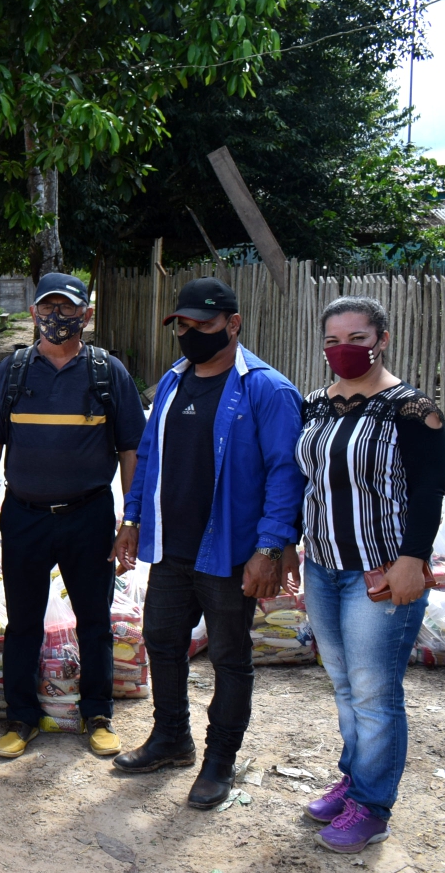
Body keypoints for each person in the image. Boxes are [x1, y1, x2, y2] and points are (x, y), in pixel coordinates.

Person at [110, 277, 305, 808]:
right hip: (173, 548)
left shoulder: (268, 390)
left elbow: (286, 475)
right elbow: (147, 459)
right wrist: (131, 520)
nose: (191, 334)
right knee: (162, 641)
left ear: (233, 324)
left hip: (229, 551)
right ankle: (172, 738)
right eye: (183, 325)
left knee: (228, 656)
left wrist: (268, 549)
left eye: (203, 324)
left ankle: (221, 757)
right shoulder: (173, 381)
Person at [295, 296, 445, 852]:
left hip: (379, 574)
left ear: (380, 338)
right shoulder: (315, 406)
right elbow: (306, 483)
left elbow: (429, 493)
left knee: (375, 692)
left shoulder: (412, 410)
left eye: (357, 338)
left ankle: (373, 806)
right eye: (334, 339)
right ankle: (354, 782)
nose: (344, 349)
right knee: (343, 684)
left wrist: (414, 561)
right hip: (323, 567)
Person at [0, 274, 146, 759]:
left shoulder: (107, 373)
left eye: (68, 310)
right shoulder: (13, 372)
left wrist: (129, 521)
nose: (57, 318)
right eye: (47, 308)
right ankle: (21, 718)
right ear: (33, 313)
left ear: (85, 316)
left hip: (88, 516)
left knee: (94, 620)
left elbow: (133, 450)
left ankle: (97, 715)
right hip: (23, 516)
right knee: (23, 622)